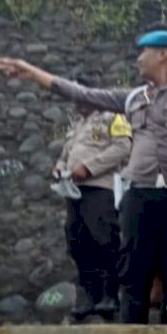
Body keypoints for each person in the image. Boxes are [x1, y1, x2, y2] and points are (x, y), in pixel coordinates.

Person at [0, 27, 167, 325]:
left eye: (143, 52)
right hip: (138, 195)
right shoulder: (132, 98)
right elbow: (81, 92)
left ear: (163, 54)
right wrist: (32, 72)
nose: (138, 59)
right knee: (134, 273)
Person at [53, 78, 132, 320]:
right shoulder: (77, 126)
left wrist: (89, 167)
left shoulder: (113, 117)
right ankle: (89, 293)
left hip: (100, 188)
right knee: (77, 239)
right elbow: (65, 154)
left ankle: (109, 294)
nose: (76, 103)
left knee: (103, 237)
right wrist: (59, 167)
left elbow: (123, 147)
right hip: (74, 190)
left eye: (80, 97)